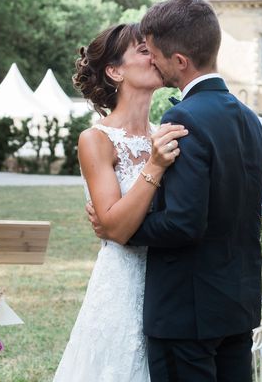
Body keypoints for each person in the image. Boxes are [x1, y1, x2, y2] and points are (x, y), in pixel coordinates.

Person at [91, 0, 262, 381]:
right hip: (236, 304)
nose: (152, 60)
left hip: (187, 311)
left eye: (153, 53)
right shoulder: (251, 119)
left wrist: (118, 228)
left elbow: (184, 223)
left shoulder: (182, 118)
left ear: (181, 62)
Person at [53, 23, 189, 381]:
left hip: (170, 282)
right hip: (122, 286)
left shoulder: (167, 133)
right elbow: (116, 227)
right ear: (115, 71)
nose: (155, 56)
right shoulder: (96, 139)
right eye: (144, 51)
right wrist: (156, 165)